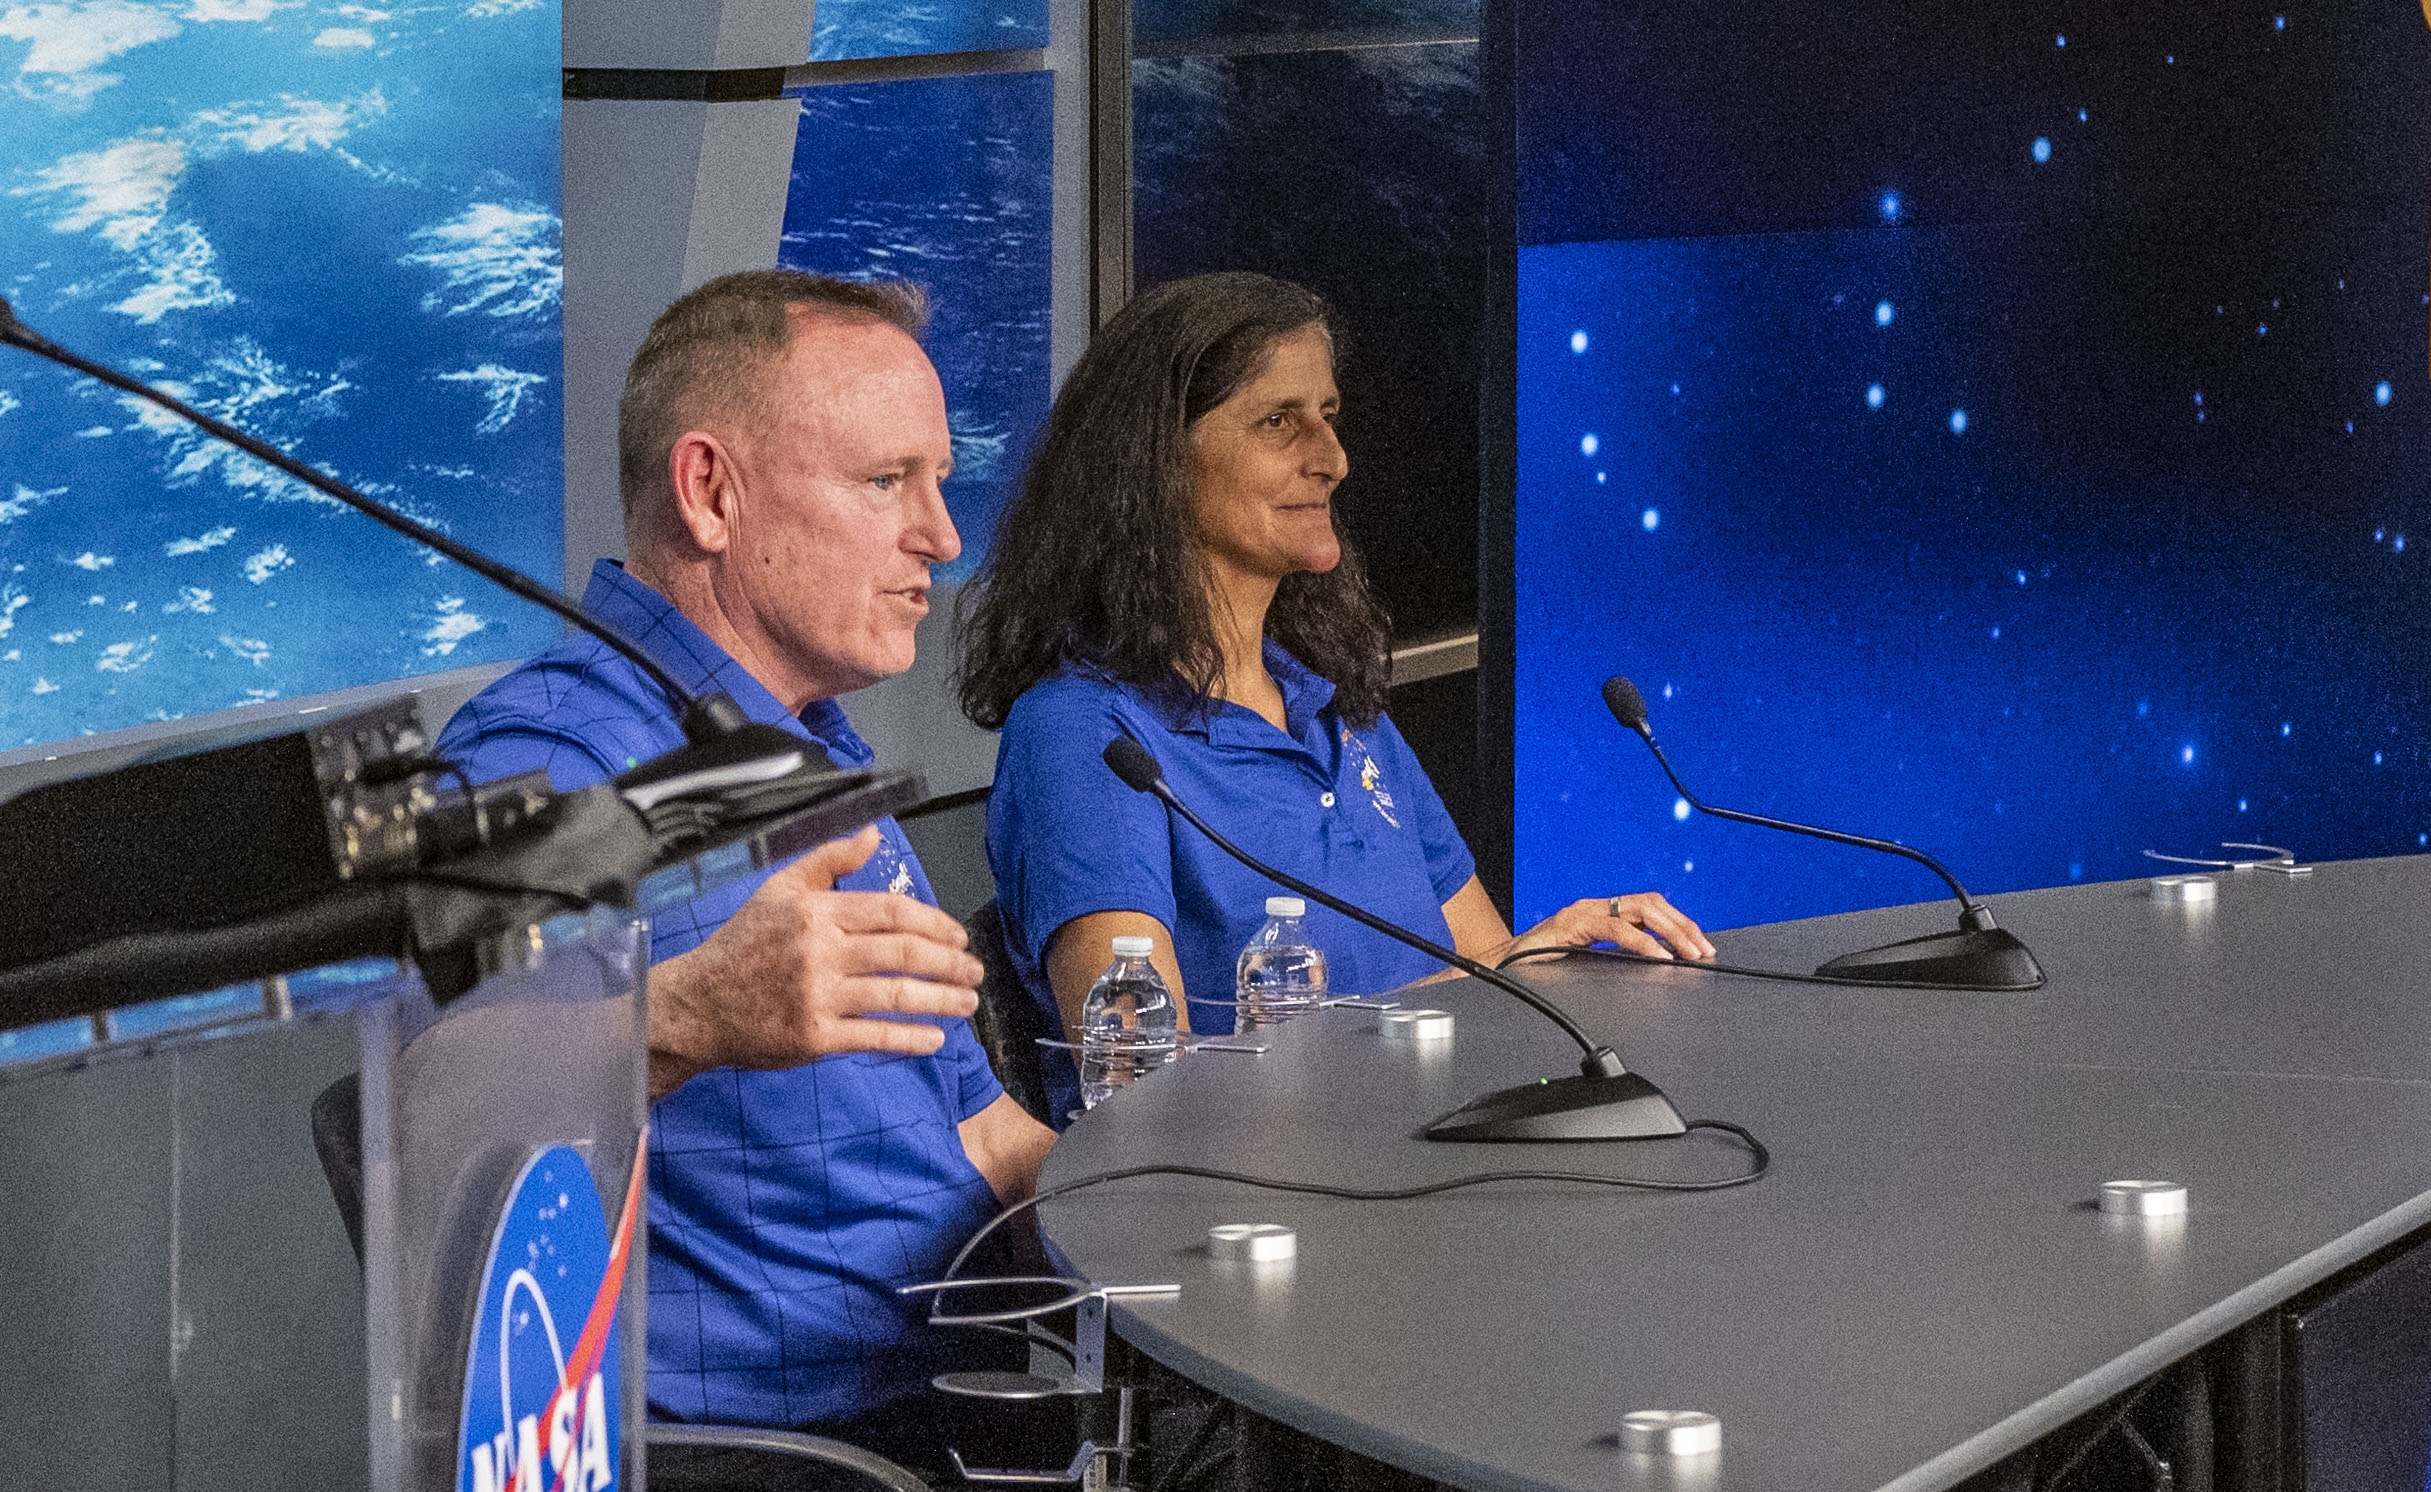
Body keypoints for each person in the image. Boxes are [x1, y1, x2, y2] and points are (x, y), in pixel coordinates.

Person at [442, 270, 1056, 1467]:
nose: (941, 534)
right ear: (710, 492)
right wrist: (689, 1015)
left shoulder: (799, 742)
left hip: (952, 1399)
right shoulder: (550, 758)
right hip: (782, 1455)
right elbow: (452, 1122)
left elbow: (980, 1143)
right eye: (888, 482)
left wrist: (1198, 1206)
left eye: (937, 481)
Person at [964, 271, 1708, 1119]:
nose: (1333, 459)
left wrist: (1544, 956)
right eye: (1279, 422)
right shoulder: (1086, 735)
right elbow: (1145, 1094)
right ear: (1154, 462)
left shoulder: (1339, 706)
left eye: (1329, 416)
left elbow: (1482, 973)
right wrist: (1487, 982)